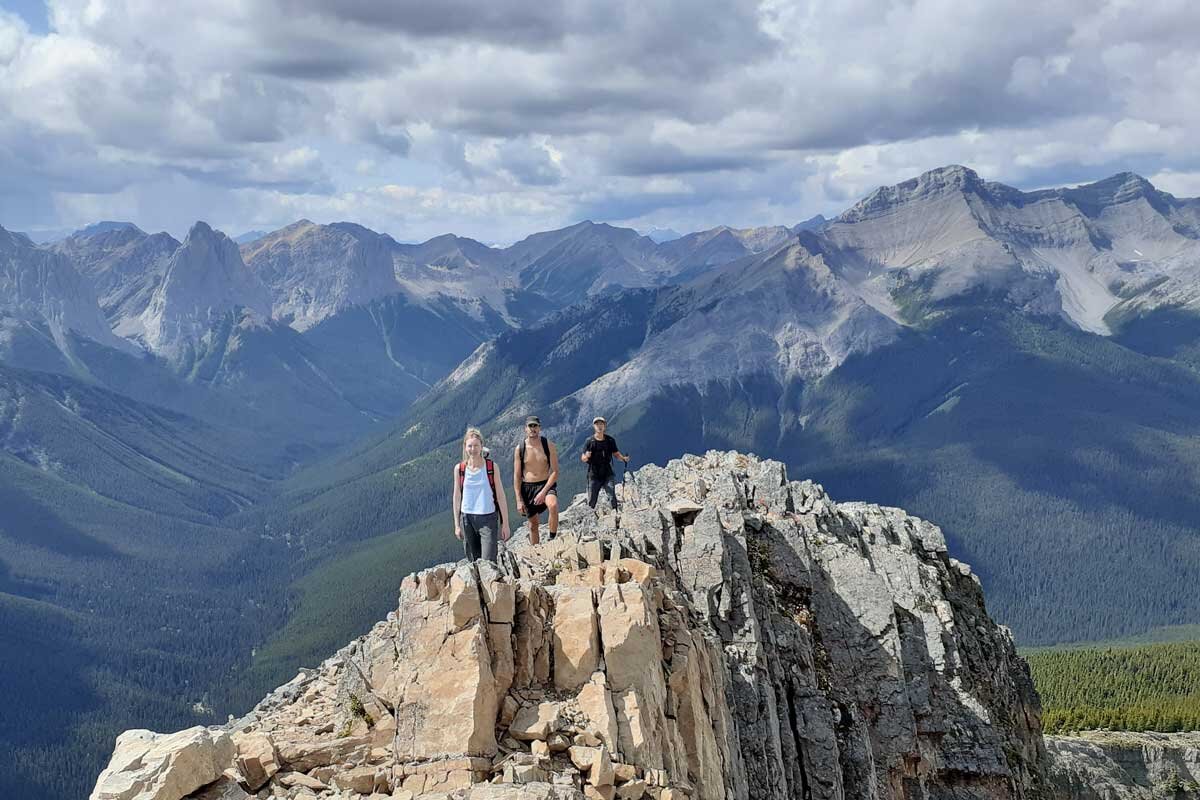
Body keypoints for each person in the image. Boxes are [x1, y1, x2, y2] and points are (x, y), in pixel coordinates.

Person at [452, 427, 510, 562]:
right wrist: (457, 524)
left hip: (488, 518)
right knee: (473, 561)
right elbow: (457, 497)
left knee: (488, 562)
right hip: (467, 519)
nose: (473, 449)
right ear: (465, 447)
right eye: (470, 446)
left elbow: (501, 496)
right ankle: (478, 583)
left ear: (482, 446)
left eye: (476, 445)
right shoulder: (459, 469)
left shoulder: (491, 467)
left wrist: (505, 524)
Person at [513, 415, 559, 544]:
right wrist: (518, 500)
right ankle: (536, 551)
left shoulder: (548, 445)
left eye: (535, 426)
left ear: (539, 428)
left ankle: (552, 538)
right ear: (525, 429)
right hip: (527, 488)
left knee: (553, 505)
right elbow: (517, 476)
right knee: (533, 525)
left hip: (546, 484)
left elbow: (555, 472)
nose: (533, 429)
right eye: (530, 426)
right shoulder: (520, 449)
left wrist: (543, 492)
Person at [581, 416, 629, 510]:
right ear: (594, 427)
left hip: (607, 472)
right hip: (594, 474)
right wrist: (586, 456)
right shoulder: (589, 441)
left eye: (601, 424)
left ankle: (616, 515)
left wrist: (623, 458)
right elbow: (583, 458)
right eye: (597, 424)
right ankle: (590, 518)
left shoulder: (610, 441)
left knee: (612, 496)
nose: (599, 426)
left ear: (605, 426)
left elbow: (616, 454)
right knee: (592, 500)